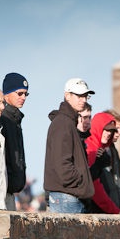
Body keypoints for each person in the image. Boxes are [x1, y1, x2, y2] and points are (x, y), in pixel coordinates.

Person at [44, 78, 95, 213]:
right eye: (79, 96)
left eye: (86, 96)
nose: (83, 100)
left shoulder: (68, 122)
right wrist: (80, 181)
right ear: (67, 96)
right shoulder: (63, 123)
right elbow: (62, 164)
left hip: (68, 196)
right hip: (66, 197)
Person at [84, 112, 120, 214]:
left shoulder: (109, 151)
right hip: (94, 208)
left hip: (107, 207)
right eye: (106, 129)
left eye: (112, 130)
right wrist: (115, 210)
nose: (109, 133)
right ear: (98, 127)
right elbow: (94, 185)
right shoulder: (91, 149)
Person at [0, 72, 29, 210]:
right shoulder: (1, 118)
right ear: (6, 94)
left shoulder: (15, 118)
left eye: (26, 94)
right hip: (0, 193)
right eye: (19, 93)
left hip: (9, 192)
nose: (23, 97)